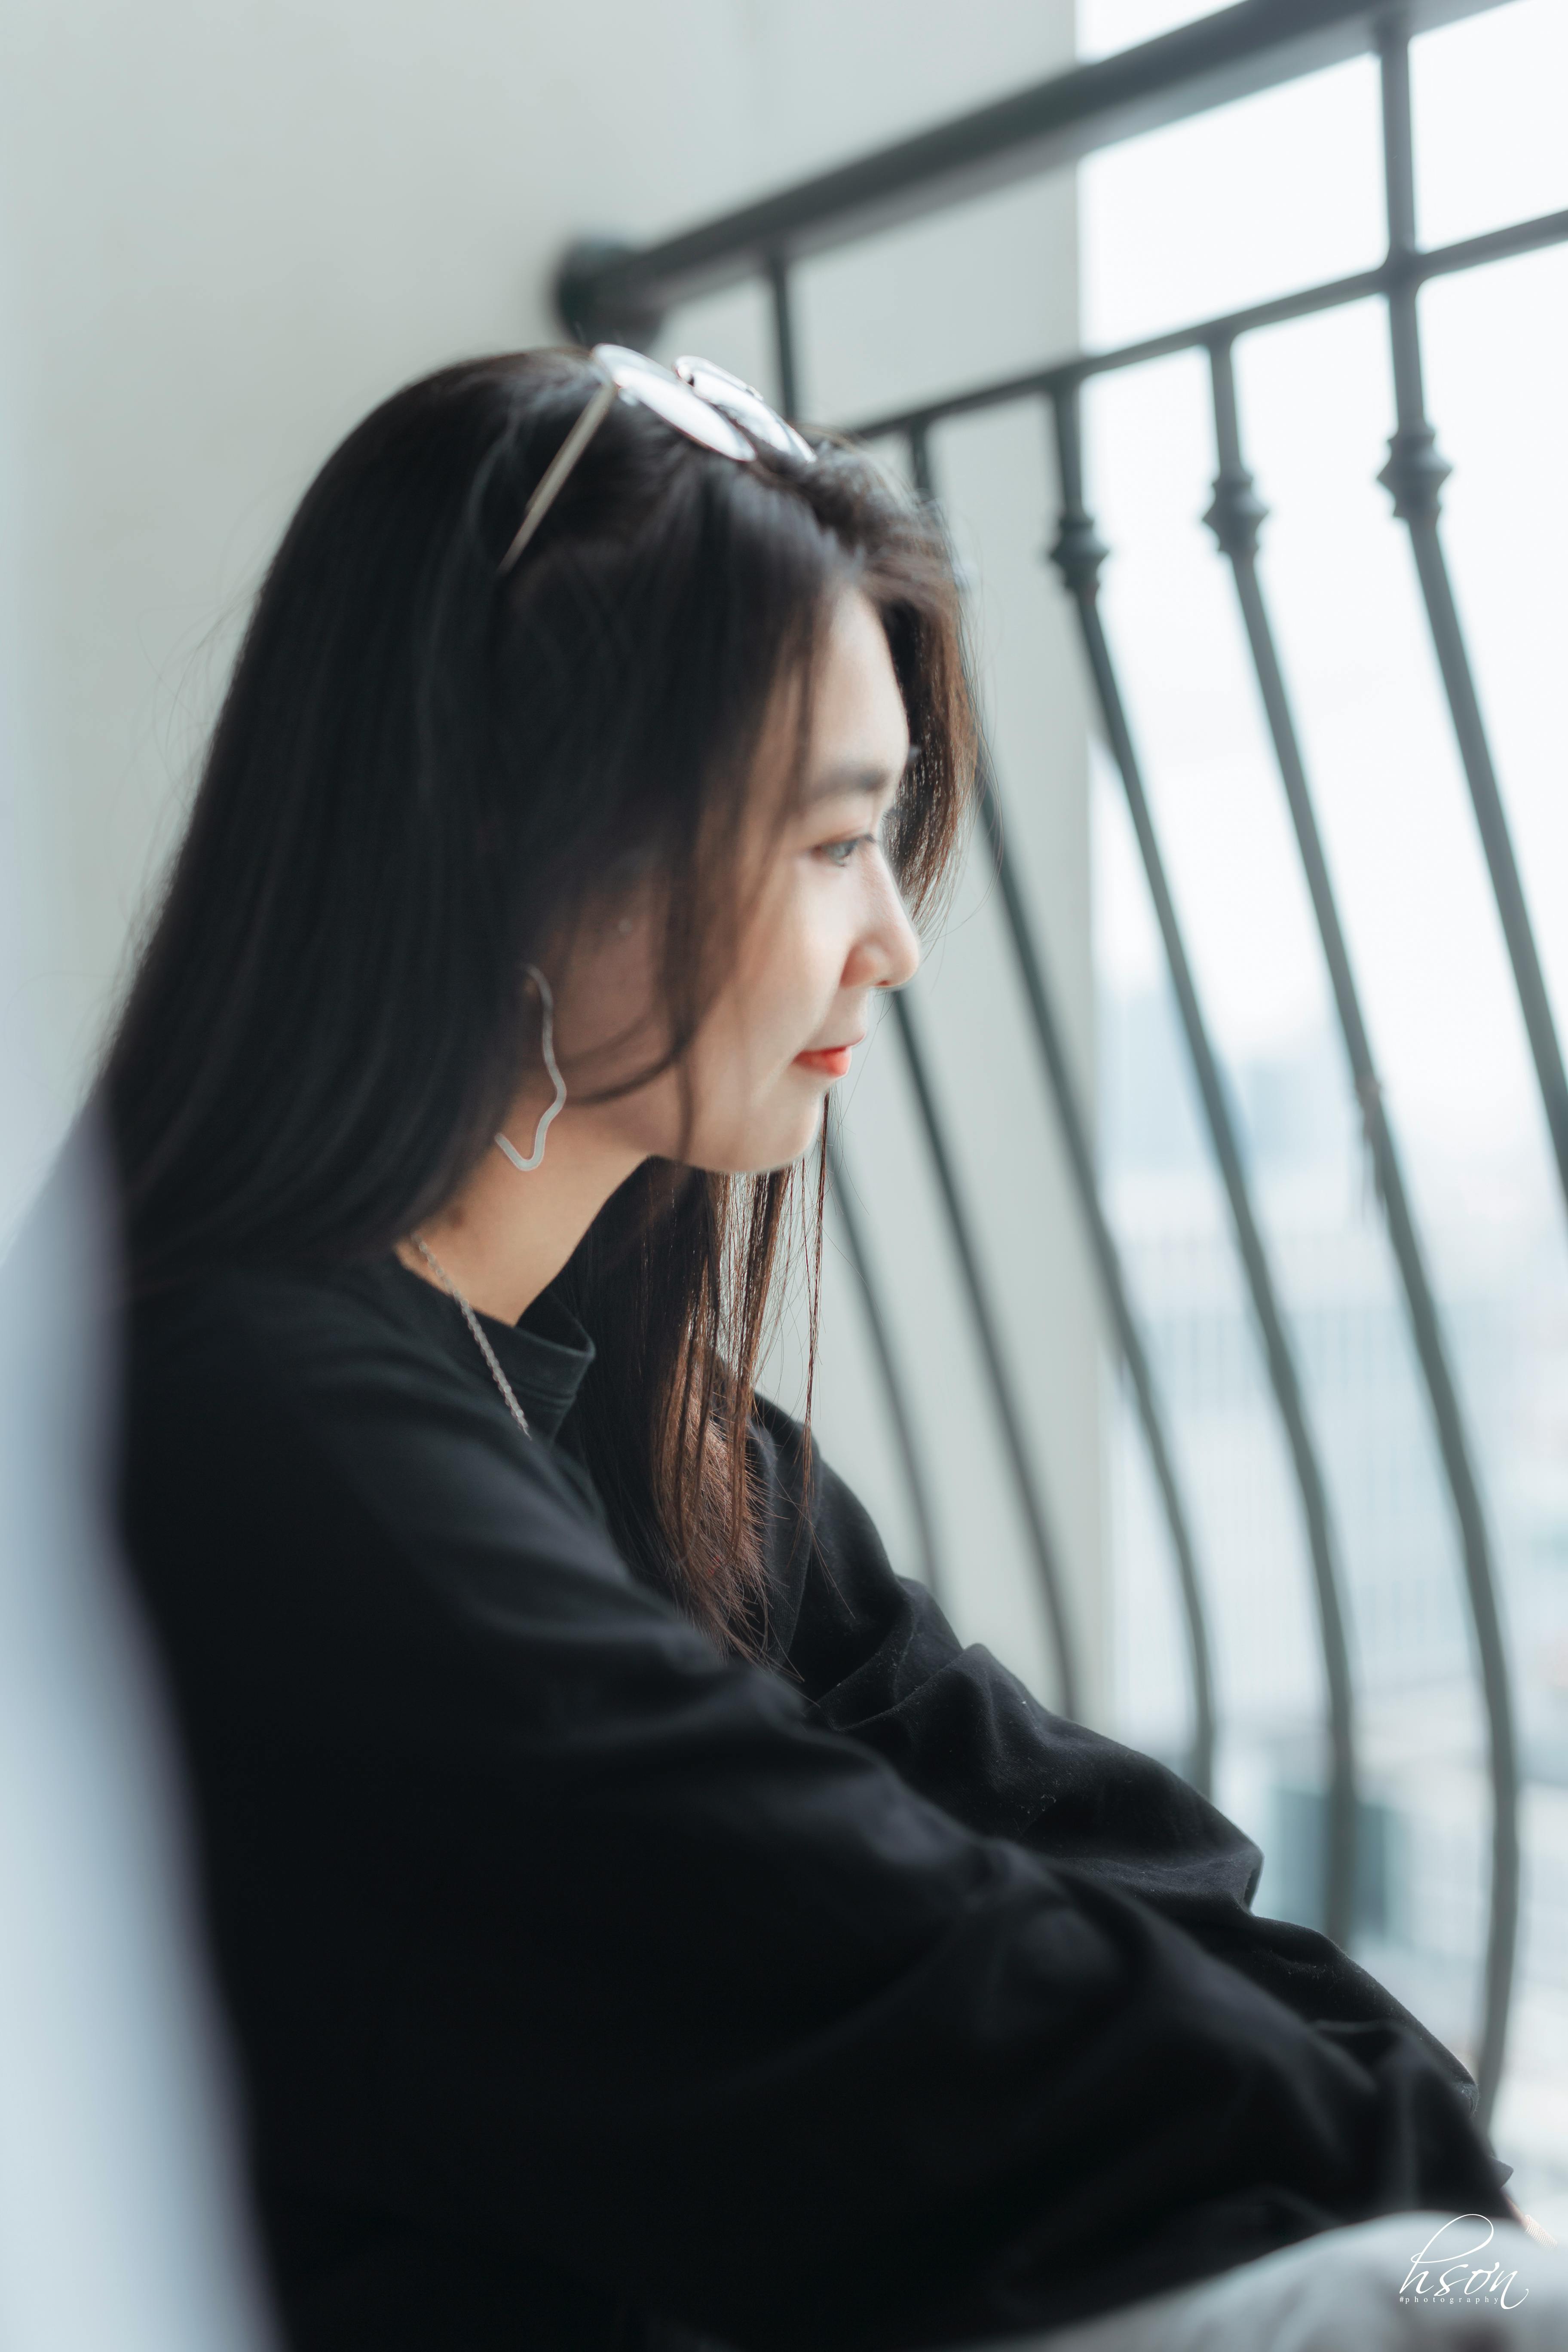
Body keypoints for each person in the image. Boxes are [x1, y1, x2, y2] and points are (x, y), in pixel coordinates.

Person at [101, 345, 1530, 2352]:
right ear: (521, 832)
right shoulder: (265, 1438)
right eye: (829, 838)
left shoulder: (652, 1434)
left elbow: (1145, 1877)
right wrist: (1449, 2236)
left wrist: (1432, 2190)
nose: (895, 937)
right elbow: (896, 1988)